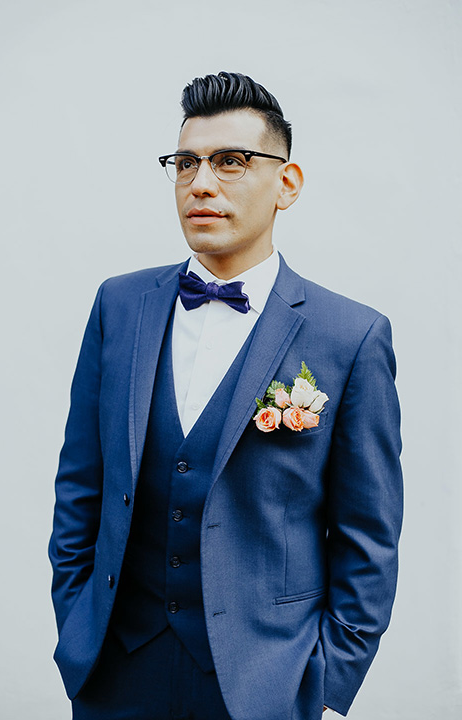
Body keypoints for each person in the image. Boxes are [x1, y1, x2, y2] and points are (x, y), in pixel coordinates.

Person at [49, 71, 403, 720]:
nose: (202, 183)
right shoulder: (118, 306)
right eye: (185, 163)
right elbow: (81, 487)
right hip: (116, 674)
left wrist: (326, 688)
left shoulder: (349, 337)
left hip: (265, 684)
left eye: (231, 162)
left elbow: (367, 538)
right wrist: (77, 625)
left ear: (286, 184)